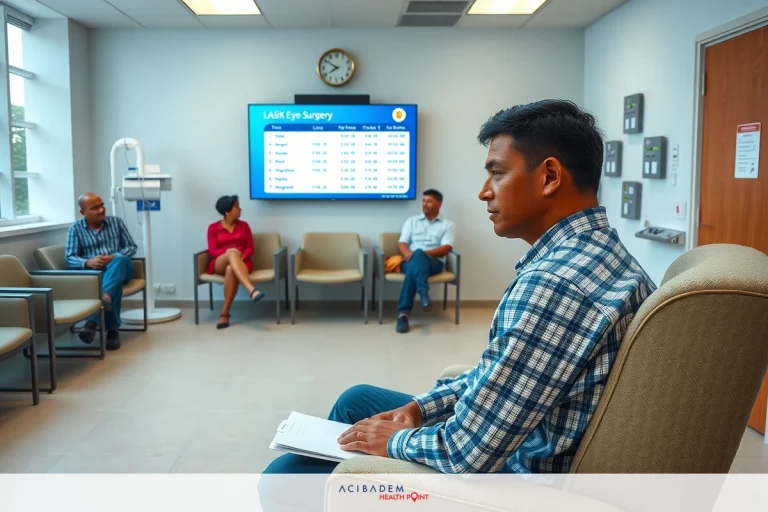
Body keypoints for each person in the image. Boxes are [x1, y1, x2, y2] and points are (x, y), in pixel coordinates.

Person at [260, 99, 656, 489]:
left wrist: (394, 439)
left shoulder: (556, 284)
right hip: (517, 438)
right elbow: (498, 377)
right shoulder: (602, 255)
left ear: (549, 176)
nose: (485, 192)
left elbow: (469, 452)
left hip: (513, 479)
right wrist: (419, 410)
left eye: (497, 173)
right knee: (358, 400)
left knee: (281, 480)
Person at [65, 192, 138, 351]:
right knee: (112, 286)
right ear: (83, 212)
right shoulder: (75, 228)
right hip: (95, 274)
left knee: (119, 262)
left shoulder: (116, 222)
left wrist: (113, 256)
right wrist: (88, 262)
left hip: (120, 268)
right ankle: (112, 331)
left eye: (101, 205)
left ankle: (93, 321)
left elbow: (131, 247)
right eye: (94, 208)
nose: (100, 210)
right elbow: (69, 257)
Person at [394, 189, 455, 334]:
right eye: (423, 201)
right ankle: (423, 293)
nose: (425, 204)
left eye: (429, 201)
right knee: (413, 267)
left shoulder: (447, 224)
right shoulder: (412, 221)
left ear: (439, 204)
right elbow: (402, 243)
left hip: (434, 263)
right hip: (410, 260)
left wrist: (420, 253)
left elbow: (446, 248)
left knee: (416, 262)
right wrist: (410, 253)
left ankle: (403, 315)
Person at [207, 195, 264, 329]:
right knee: (231, 253)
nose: (240, 209)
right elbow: (212, 251)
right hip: (219, 262)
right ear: (227, 212)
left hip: (242, 262)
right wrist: (230, 253)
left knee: (231, 269)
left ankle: (224, 314)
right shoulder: (213, 228)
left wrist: (240, 259)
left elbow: (250, 247)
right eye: (237, 207)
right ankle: (251, 289)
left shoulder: (244, 226)